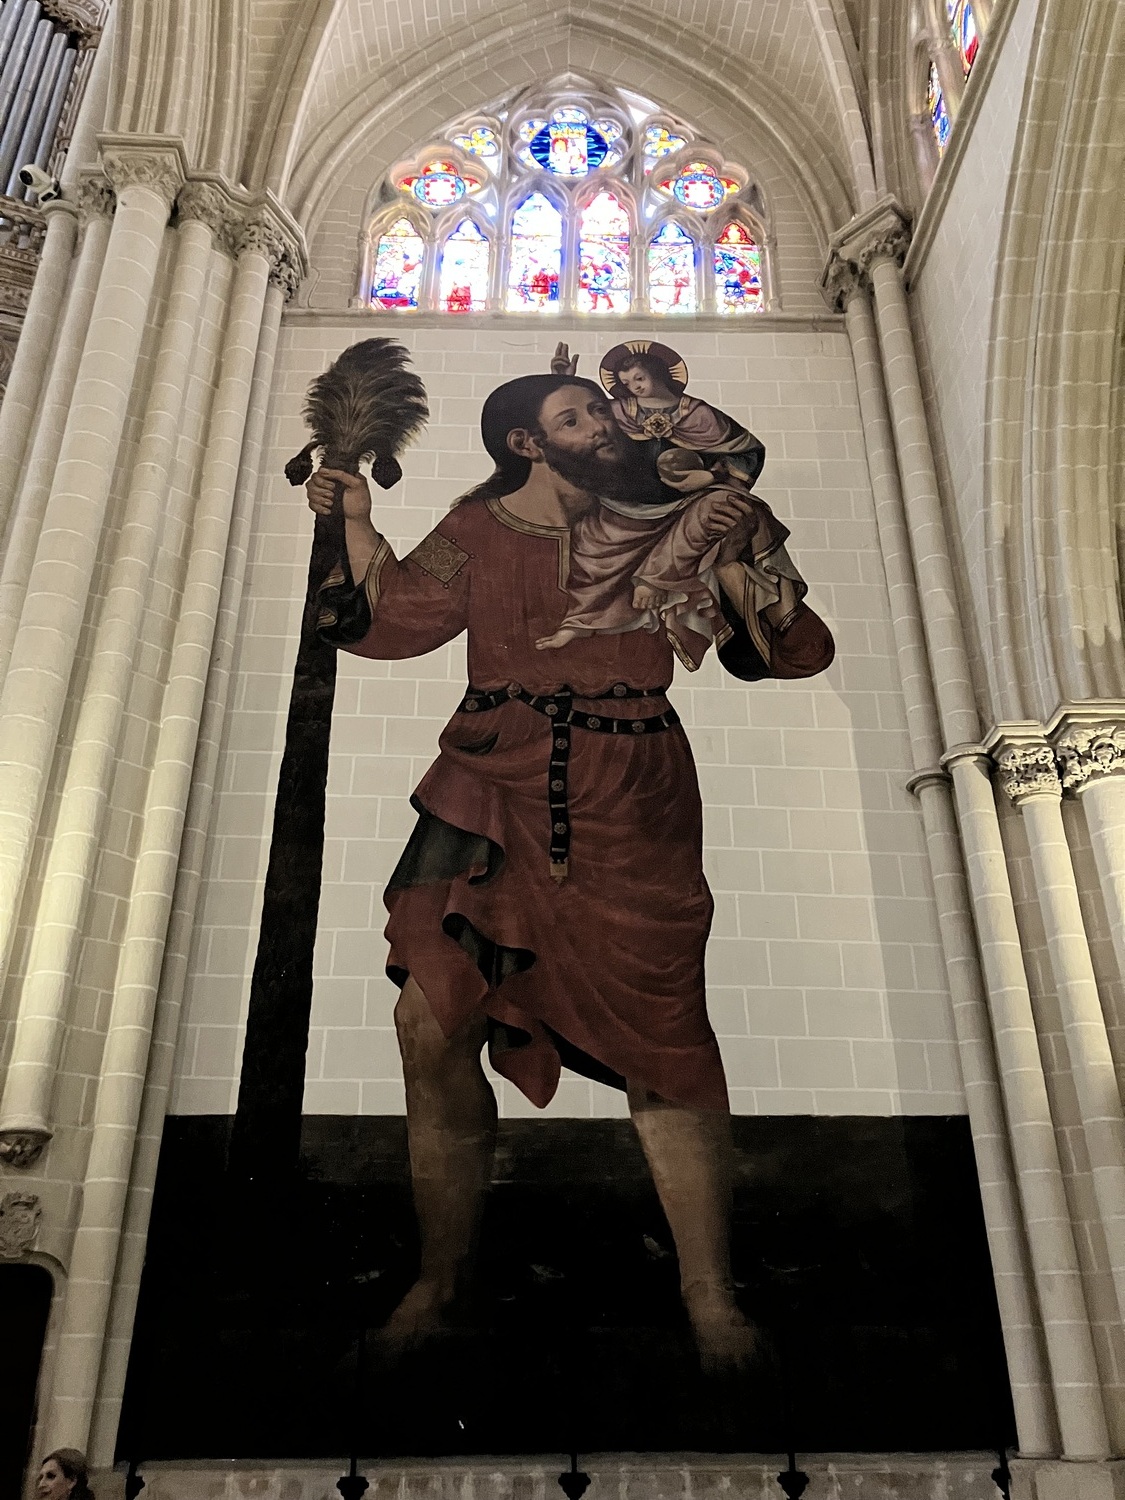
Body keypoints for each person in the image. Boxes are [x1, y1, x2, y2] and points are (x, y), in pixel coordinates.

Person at [307, 368, 833, 1369]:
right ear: (526, 443)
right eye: (576, 415)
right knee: (429, 1022)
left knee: (664, 1036)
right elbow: (393, 620)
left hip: (631, 786)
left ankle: (709, 1296)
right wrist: (357, 524)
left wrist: (749, 555)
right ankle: (440, 1279)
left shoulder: (671, 517)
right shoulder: (477, 526)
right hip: (487, 779)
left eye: (601, 408)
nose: (604, 423)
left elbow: (792, 651)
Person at [535, 341, 812, 668]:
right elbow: (578, 418)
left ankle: (770, 618)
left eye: (639, 378)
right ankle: (579, 625)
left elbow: (746, 451)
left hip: (687, 505)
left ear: (658, 372)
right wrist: (563, 383)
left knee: (734, 507)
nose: (635, 387)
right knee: (588, 552)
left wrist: (710, 477)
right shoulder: (620, 412)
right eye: (626, 384)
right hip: (624, 507)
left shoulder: (698, 415)